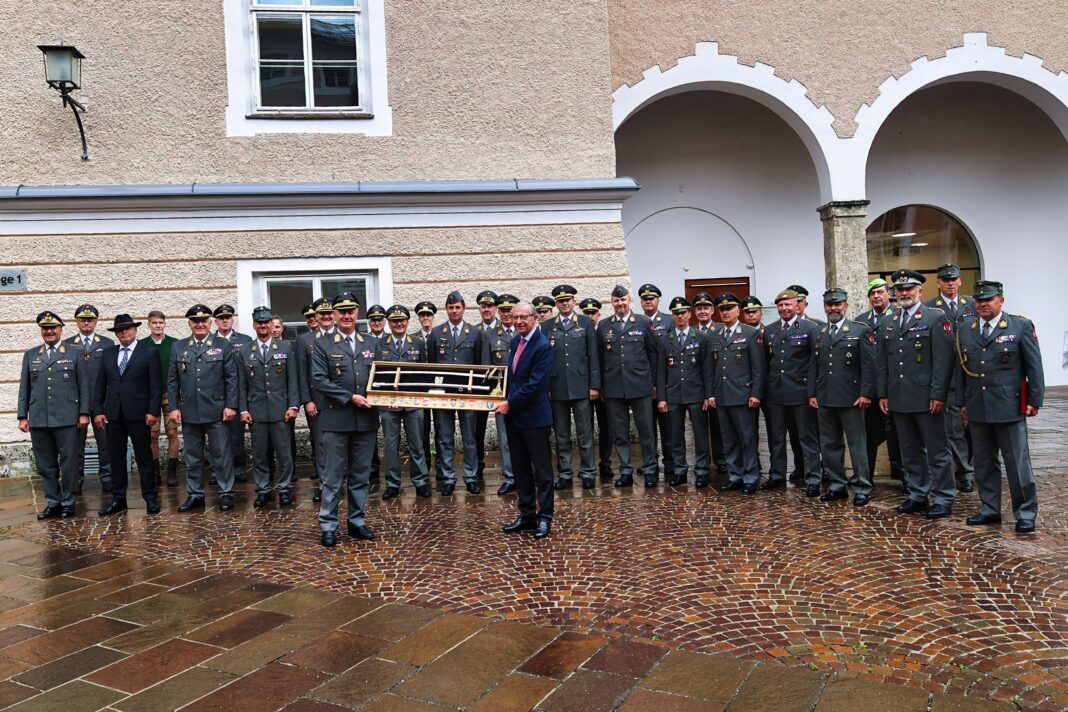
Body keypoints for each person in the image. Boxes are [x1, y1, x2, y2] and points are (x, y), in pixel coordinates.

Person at [957, 280, 1044, 533]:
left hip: (1009, 406)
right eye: (979, 300)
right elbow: (960, 369)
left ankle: (1025, 512)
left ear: (1001, 300)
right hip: (977, 406)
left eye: (988, 299)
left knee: (1017, 464)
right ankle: (989, 508)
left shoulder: (1020, 326)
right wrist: (961, 401)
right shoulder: (966, 328)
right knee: (984, 463)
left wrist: (1034, 400)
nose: (983, 304)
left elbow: (1034, 366)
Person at [877, 269, 956, 519]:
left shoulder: (935, 318)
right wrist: (883, 393)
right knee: (909, 450)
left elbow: (944, 362)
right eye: (900, 289)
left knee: (937, 451)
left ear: (920, 290)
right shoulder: (889, 320)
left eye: (909, 288)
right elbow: (883, 362)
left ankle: (943, 497)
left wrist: (938, 394)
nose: (904, 293)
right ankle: (918, 494)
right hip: (899, 396)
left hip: (927, 397)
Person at [310, 292, 379, 547]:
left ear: (357, 313)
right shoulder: (323, 344)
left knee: (361, 475)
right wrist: (350, 397)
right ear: (335, 315)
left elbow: (382, 375)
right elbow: (319, 380)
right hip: (336, 419)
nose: (347, 316)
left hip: (366, 419)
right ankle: (328, 525)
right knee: (333, 477)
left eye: (351, 311)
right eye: (342, 312)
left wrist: (388, 396)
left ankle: (356, 522)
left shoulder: (370, 342)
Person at [18, 311, 91, 519]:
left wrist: (84, 413)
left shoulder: (75, 352)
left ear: (60, 329)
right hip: (39, 418)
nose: (49, 331)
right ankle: (53, 502)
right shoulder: (31, 355)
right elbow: (25, 388)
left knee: (69, 464)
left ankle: (68, 502)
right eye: (45, 328)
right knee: (45, 465)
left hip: (68, 418)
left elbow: (84, 386)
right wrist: (23, 416)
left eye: (53, 328)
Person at [808, 289, 877, 505]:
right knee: (829, 445)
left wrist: (866, 393)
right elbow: (813, 366)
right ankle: (837, 485)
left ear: (845, 306)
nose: (833, 308)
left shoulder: (860, 330)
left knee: (857, 446)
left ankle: (862, 487)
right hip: (825, 396)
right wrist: (812, 393)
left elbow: (869, 365)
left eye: (837, 304)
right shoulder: (818, 332)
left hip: (851, 398)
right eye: (829, 305)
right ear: (825, 307)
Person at [168, 304, 239, 512]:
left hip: (217, 410)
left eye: (203, 321)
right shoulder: (179, 347)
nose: (200, 324)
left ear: (209, 323)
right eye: (195, 321)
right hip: (189, 410)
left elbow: (231, 378)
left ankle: (226, 493)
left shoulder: (223, 345)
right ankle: (195, 494)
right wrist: (174, 407)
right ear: (189, 324)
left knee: (221, 454)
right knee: (193, 457)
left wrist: (231, 405)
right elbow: (172, 380)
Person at [93, 314, 163, 515]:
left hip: (139, 414)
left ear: (135, 330)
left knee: (144, 458)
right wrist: (98, 411)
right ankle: (118, 499)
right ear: (116, 334)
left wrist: (153, 411)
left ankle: (150, 498)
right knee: (116, 458)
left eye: (127, 329)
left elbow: (156, 386)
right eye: (120, 330)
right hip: (114, 414)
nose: (124, 332)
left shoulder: (148, 352)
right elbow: (100, 384)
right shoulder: (108, 354)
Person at [497, 301, 555, 539]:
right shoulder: (515, 342)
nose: (519, 321)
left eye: (523, 317)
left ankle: (545, 517)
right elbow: (513, 378)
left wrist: (509, 403)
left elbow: (535, 384)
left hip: (535, 418)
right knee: (521, 470)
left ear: (534, 318)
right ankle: (527, 514)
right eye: (515, 317)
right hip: (515, 418)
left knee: (542, 472)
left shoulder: (542, 345)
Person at [237, 306, 300, 508]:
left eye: (266, 322)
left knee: (284, 453)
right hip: (256, 411)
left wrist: (293, 406)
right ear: (254, 325)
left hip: (281, 409)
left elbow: (293, 380)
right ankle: (263, 490)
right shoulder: (245, 350)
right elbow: (241, 384)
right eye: (260, 323)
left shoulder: (285, 348)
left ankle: (285, 489)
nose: (263, 326)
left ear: (272, 325)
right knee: (259, 454)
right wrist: (243, 409)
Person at [598, 285, 659, 488]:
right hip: (614, 387)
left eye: (623, 299)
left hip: (640, 385)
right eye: (616, 301)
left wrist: (653, 383)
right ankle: (625, 471)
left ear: (630, 300)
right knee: (619, 433)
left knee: (646, 430)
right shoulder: (604, 326)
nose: (620, 304)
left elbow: (652, 354)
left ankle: (650, 469)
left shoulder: (643, 322)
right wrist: (601, 386)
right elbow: (599, 358)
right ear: (612, 302)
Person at [762, 289, 821, 495]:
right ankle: (777, 475)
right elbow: (766, 363)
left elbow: (814, 363)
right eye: (780, 305)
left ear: (797, 305)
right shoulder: (770, 330)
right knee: (776, 438)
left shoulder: (810, 328)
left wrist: (812, 392)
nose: (784, 308)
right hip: (776, 393)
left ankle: (813, 478)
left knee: (807, 438)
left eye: (788, 304)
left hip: (800, 392)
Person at [543, 284, 601, 490]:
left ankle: (588, 472)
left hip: (581, 386)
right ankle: (565, 473)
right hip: (557, 387)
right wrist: (546, 387)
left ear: (574, 302)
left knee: (585, 433)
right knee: (562, 434)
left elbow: (593, 356)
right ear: (556, 304)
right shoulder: (547, 326)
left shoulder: (585, 323)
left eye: (567, 300)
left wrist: (594, 386)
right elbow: (545, 360)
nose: (565, 303)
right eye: (561, 301)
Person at [925, 263, 977, 493]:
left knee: (977, 425)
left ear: (960, 281)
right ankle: (964, 472)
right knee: (954, 429)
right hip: (949, 376)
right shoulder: (929, 308)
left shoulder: (973, 305)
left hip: (973, 373)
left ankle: (972, 464)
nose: (950, 283)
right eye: (945, 280)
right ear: (938, 283)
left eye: (953, 279)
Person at [427, 291, 484, 495]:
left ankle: (471, 477)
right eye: (450, 307)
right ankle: (448, 478)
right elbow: (431, 365)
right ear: (446, 309)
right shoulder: (436, 333)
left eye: (457, 307)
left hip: (467, 393)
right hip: (443, 393)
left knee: (470, 438)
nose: (454, 311)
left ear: (463, 309)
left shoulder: (475, 333)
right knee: (444, 437)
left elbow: (479, 365)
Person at [709, 294, 765, 494]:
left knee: (747, 438)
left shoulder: (750, 333)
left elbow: (758, 368)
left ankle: (750, 476)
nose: (725, 312)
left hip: (743, 395)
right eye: (722, 309)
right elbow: (711, 368)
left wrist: (756, 393)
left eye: (729, 309)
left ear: (737, 310)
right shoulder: (715, 335)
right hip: (722, 395)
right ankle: (735, 475)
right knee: (729, 439)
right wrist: (711, 394)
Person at [375, 305, 432, 499]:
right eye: (394, 321)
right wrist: (384, 397)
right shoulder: (379, 344)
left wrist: (421, 398)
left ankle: (421, 482)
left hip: (413, 402)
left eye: (402, 320)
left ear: (407, 322)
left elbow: (424, 373)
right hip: (388, 403)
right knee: (391, 446)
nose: (398, 324)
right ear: (389, 323)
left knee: (417, 444)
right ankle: (392, 483)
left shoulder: (417, 343)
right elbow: (376, 374)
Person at [656, 297, 713, 487]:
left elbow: (707, 369)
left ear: (689, 314)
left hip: (696, 394)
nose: (680, 316)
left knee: (700, 435)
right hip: (673, 395)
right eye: (676, 313)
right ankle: (680, 470)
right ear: (672, 316)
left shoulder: (701, 337)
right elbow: (661, 371)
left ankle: (702, 470)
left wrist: (708, 395)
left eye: (683, 312)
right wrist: (662, 398)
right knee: (675, 436)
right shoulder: (665, 340)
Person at [855, 279, 906, 486]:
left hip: (895, 388)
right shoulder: (860, 321)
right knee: (869, 435)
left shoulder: (899, 316)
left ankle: (904, 477)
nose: (876, 296)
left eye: (880, 292)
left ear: (889, 295)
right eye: (872, 293)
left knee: (900, 435)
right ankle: (865, 478)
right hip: (871, 389)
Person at [65, 304, 114, 495]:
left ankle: (108, 480)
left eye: (90, 319)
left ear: (96, 321)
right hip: (77, 404)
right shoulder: (68, 344)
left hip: (101, 402)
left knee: (106, 444)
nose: (87, 323)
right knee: (75, 445)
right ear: (76, 321)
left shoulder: (107, 343)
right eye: (83, 319)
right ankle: (76, 481)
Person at [297, 298, 335, 504]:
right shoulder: (305, 340)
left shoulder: (343, 336)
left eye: (330, 313)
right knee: (321, 445)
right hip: (317, 402)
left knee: (341, 444)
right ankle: (324, 485)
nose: (326, 317)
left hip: (341, 401)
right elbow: (302, 373)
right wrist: (307, 400)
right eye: (322, 313)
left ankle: (341, 482)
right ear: (316, 316)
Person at [637, 283, 673, 480]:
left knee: (667, 426)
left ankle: (670, 463)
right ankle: (650, 463)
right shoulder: (637, 322)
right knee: (647, 427)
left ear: (658, 300)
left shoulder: (669, 321)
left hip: (665, 382)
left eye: (651, 298)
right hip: (644, 384)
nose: (648, 301)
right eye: (644, 299)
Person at [140, 311, 180, 486]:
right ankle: (155, 471)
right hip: (150, 396)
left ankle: (172, 470)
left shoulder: (174, 344)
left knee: (172, 432)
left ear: (165, 324)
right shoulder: (142, 345)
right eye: (154, 322)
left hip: (170, 393)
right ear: (149, 324)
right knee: (153, 434)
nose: (158, 325)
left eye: (160, 322)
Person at [213, 304, 253, 479]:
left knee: (236, 434)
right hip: (215, 394)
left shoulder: (244, 340)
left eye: (227, 318)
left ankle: (238, 468)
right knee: (216, 436)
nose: (225, 321)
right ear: (215, 321)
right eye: (221, 318)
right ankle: (216, 470)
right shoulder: (210, 340)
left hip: (237, 393)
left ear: (232, 320)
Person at [480, 308, 516, 495]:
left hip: (524, 394)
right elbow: (486, 369)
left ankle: (528, 474)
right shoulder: (490, 335)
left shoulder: (524, 331)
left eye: (510, 310)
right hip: (502, 395)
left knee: (528, 436)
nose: (506, 314)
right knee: (505, 439)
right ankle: (510, 477)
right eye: (503, 311)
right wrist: (492, 396)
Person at [693, 291, 729, 479]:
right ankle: (703, 462)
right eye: (699, 308)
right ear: (694, 312)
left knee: (718, 425)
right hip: (696, 387)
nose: (702, 311)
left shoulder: (721, 330)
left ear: (712, 310)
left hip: (717, 386)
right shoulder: (690, 331)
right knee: (699, 428)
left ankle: (721, 460)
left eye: (706, 308)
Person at [581, 297, 614, 481]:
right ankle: (588, 465)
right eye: (586, 313)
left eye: (593, 313)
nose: (590, 316)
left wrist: (603, 386)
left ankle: (605, 462)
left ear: (598, 315)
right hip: (584, 388)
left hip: (604, 388)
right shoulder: (579, 331)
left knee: (606, 427)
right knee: (585, 428)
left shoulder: (604, 331)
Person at [473, 290, 500, 484]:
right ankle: (478, 465)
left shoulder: (505, 328)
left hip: (500, 387)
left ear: (496, 308)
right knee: (477, 429)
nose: (486, 309)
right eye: (483, 306)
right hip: (479, 387)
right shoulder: (474, 331)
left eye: (490, 306)